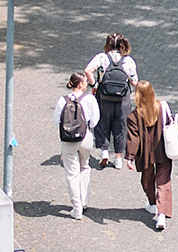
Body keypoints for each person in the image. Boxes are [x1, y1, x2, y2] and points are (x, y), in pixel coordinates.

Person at [125, 81, 174, 231]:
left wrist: (130, 157)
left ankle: (153, 203)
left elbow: (134, 139)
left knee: (147, 179)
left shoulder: (134, 116)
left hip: (145, 154)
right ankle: (162, 213)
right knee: (163, 181)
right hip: (163, 150)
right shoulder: (162, 107)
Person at [84, 33, 139, 168]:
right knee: (121, 126)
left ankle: (104, 152)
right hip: (122, 99)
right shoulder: (128, 60)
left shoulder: (102, 57)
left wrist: (94, 85)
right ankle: (119, 158)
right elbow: (134, 81)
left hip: (104, 96)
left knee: (103, 123)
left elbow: (88, 71)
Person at [53, 72, 100, 220]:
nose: (87, 84)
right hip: (85, 137)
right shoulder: (90, 99)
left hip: (68, 140)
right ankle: (84, 200)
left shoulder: (62, 100)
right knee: (85, 167)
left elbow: (57, 120)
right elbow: (95, 120)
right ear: (80, 84)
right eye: (85, 82)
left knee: (72, 173)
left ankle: (76, 207)